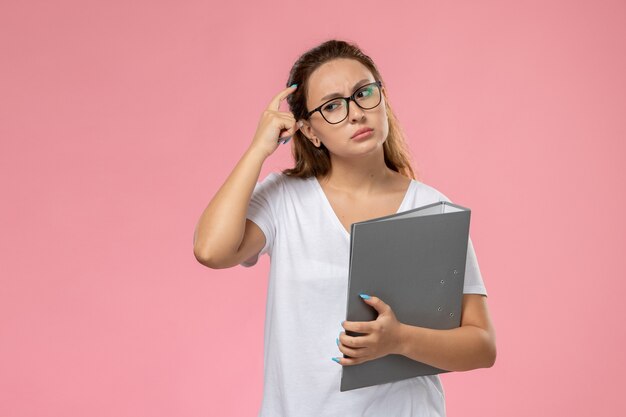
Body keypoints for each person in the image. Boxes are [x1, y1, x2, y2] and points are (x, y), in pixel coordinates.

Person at [193, 39, 496, 417]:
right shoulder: (285, 200)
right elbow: (210, 250)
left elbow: (482, 346)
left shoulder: (433, 209)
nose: (355, 113)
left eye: (363, 93)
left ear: (383, 98)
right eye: (332, 106)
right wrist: (258, 149)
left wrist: (400, 340)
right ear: (310, 131)